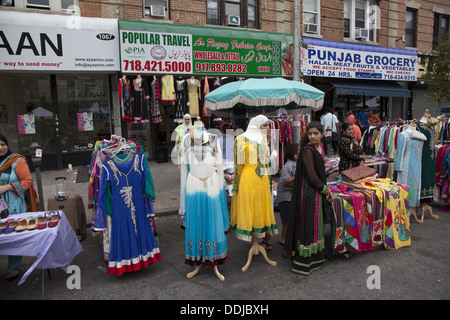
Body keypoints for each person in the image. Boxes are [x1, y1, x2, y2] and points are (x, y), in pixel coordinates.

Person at [282, 122, 331, 275]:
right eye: (310, 133)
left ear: (322, 134)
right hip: (309, 191)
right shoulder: (307, 150)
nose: (312, 136)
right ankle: (304, 261)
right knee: (309, 225)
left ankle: (317, 257)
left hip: (316, 189)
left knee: (317, 225)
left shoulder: (320, 147)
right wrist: (325, 189)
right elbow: (310, 175)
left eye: (316, 133)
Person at [230, 115, 278, 250]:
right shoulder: (240, 140)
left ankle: (258, 242)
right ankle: (254, 243)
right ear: (256, 125)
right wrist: (236, 185)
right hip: (248, 178)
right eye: (265, 125)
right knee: (249, 208)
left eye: (268, 125)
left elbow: (265, 163)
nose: (268, 128)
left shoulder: (263, 140)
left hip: (262, 180)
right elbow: (238, 165)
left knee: (259, 209)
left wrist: (272, 156)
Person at [0, 134, 33, 281]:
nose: (1, 148)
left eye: (3, 144)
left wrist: (7, 187)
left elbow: (27, 181)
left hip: (13, 204)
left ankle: (14, 267)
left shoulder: (16, 160)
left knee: (12, 235)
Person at [276, 143, 299, 246]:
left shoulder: (296, 163)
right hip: (285, 196)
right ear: (295, 155)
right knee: (286, 219)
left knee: (290, 218)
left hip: (290, 194)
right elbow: (285, 181)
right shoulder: (288, 166)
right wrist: (297, 176)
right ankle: (283, 238)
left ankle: (288, 237)